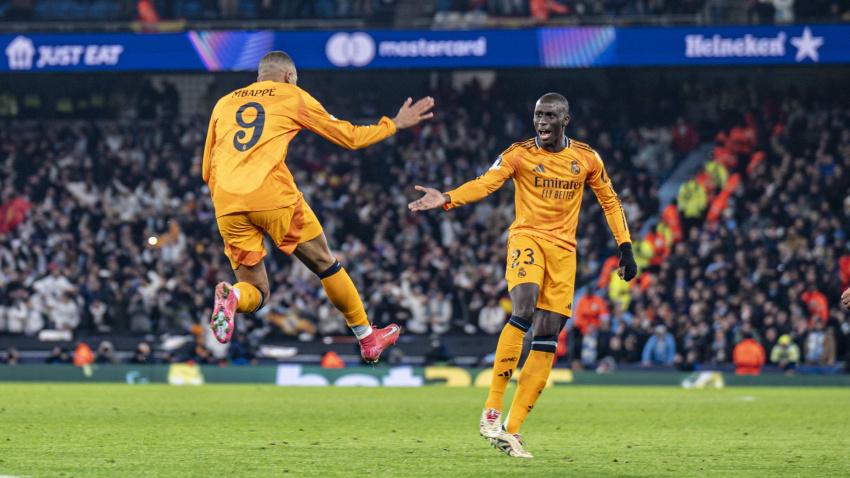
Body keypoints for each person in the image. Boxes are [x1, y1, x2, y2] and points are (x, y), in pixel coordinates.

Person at [408, 92, 636, 458]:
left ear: (566, 119)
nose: (542, 122)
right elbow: (485, 182)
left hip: (564, 252)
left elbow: (610, 200)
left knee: (548, 337)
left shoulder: (587, 158)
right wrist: (448, 198)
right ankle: (491, 410)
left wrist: (625, 246)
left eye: (549, 116)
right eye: (537, 115)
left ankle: (510, 431)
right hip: (527, 239)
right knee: (524, 310)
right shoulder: (518, 153)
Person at [203, 51, 434, 363]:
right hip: (272, 194)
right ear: (288, 76)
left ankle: (233, 296)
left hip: (226, 201)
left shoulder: (224, 103)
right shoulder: (292, 95)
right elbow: (349, 137)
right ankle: (367, 338)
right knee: (325, 263)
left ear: (260, 75)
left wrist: (228, 199)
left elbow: (207, 168)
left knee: (255, 290)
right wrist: (393, 124)